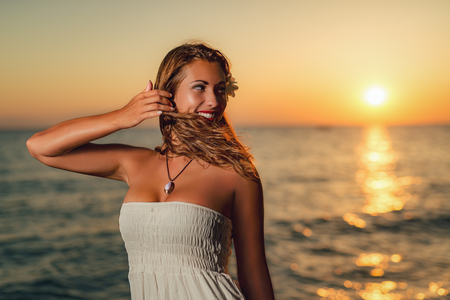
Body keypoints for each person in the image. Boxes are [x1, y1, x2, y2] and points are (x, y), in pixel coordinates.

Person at [26, 42, 274, 300]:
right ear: (168, 93)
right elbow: (40, 147)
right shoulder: (135, 163)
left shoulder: (237, 173)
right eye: (200, 87)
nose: (214, 101)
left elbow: (254, 275)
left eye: (220, 90)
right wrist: (124, 116)